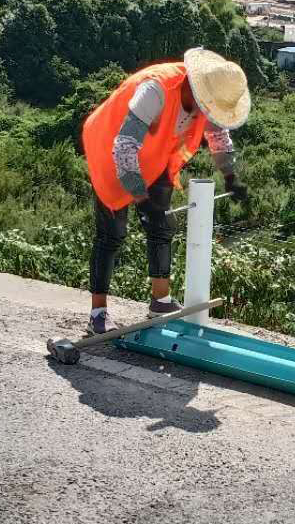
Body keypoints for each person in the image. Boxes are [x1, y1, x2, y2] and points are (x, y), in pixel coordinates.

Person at [81, 48, 251, 334]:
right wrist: (138, 193)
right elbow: (123, 145)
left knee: (162, 224)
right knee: (112, 233)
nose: (209, 114)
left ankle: (160, 301)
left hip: (156, 155)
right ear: (197, 90)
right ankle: (98, 312)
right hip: (111, 149)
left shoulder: (208, 102)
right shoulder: (155, 91)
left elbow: (218, 136)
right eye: (209, 107)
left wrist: (230, 176)